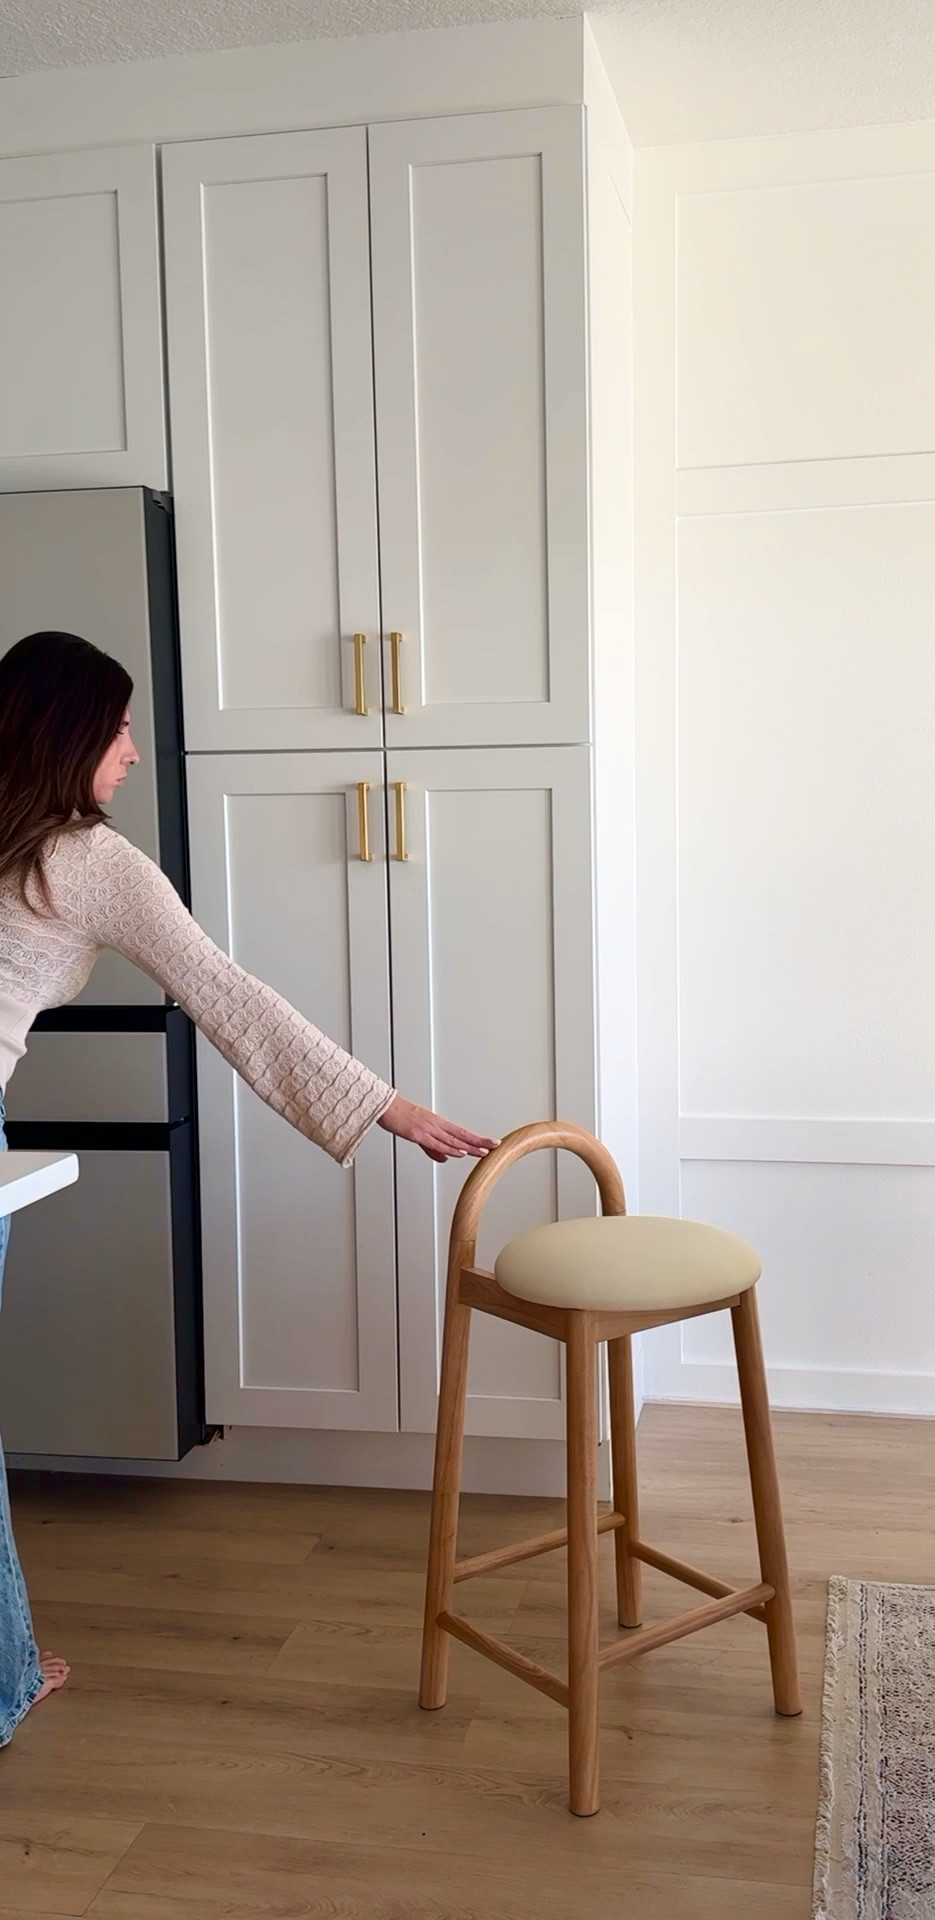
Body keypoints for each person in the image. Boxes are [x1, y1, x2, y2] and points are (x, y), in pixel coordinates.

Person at [0, 629, 497, 1748]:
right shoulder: (86, 859)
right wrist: (386, 1106)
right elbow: (229, 997)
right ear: (67, 734)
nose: (132, 752)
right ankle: (1, 1677)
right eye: (118, 728)